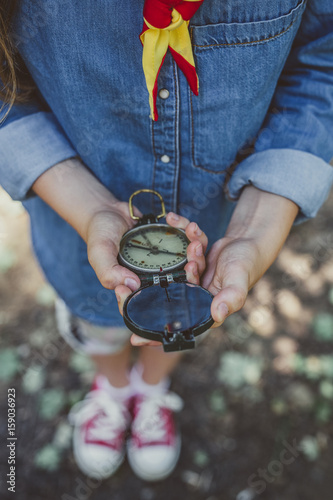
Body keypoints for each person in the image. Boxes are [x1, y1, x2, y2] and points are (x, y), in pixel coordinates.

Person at [0, 0, 333, 482]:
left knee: (178, 327)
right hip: (72, 224)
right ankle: (113, 388)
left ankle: (151, 386)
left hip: (215, 229)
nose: (155, 267)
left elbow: (322, 63)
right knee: (99, 322)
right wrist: (87, 206)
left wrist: (255, 227)